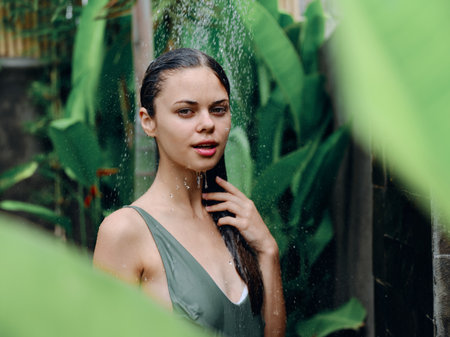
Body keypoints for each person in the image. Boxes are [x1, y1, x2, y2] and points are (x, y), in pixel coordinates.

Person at [93, 48, 286, 337]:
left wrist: (268, 251)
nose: (207, 124)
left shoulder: (235, 220)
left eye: (218, 109)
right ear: (149, 121)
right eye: (186, 111)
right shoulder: (125, 231)